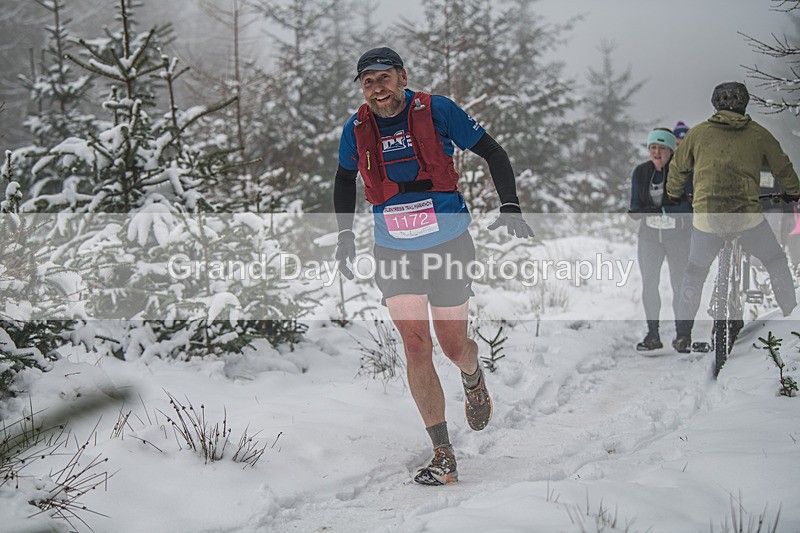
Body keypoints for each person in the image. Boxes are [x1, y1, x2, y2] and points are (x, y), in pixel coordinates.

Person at [332, 47, 533, 485]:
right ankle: (443, 452)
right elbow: (344, 178)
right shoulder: (356, 128)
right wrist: (346, 236)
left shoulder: (437, 110)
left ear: (402, 76)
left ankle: (472, 372)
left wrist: (511, 204)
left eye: (384, 78)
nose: (377, 88)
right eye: (368, 82)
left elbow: (493, 152)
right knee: (415, 344)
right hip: (393, 249)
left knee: (451, 345)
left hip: (447, 244)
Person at [667, 81, 800, 353]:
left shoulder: (698, 133)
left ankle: (682, 334)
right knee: (775, 260)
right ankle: (792, 321)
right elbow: (783, 167)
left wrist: (674, 193)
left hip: (706, 219)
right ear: (745, 104)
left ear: (714, 104)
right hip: (747, 219)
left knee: (693, 272)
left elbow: (678, 168)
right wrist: (793, 192)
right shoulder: (759, 134)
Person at [628, 128, 692, 351]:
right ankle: (652, 335)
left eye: (662, 148)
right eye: (653, 147)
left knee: (679, 284)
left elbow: (689, 207)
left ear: (671, 150)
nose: (657, 152)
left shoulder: (683, 172)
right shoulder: (641, 172)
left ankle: (683, 335)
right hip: (649, 238)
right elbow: (635, 208)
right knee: (649, 285)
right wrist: (663, 210)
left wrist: (660, 210)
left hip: (679, 238)